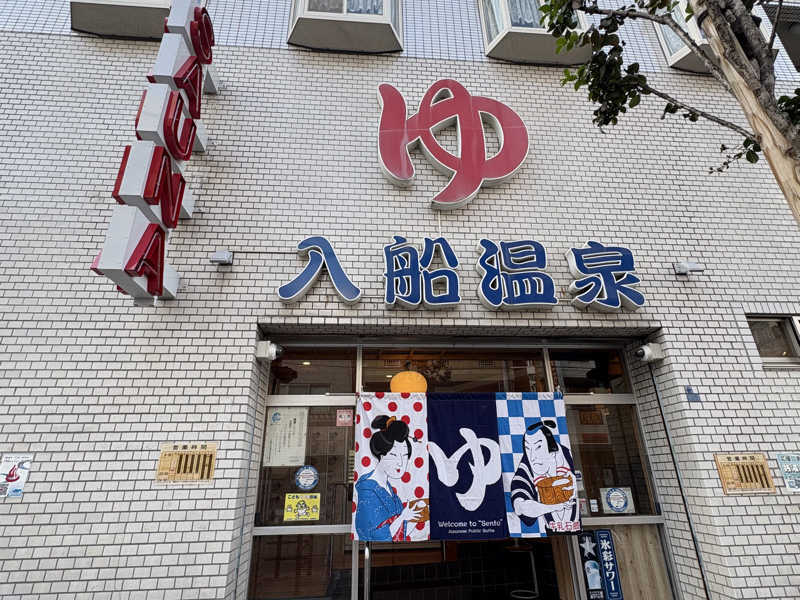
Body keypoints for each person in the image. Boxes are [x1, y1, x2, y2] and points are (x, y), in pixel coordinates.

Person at [355, 415, 423, 541]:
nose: (400, 463)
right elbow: (375, 535)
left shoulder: (387, 487)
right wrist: (403, 518)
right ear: (381, 454)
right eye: (394, 455)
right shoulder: (367, 490)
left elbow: (399, 532)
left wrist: (414, 517)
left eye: (404, 455)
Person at [511, 419, 577, 530]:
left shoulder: (565, 455)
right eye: (527, 449)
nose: (532, 457)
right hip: (548, 528)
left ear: (552, 448)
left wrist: (575, 482)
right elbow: (520, 506)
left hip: (570, 523)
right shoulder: (525, 469)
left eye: (538, 447)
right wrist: (556, 506)